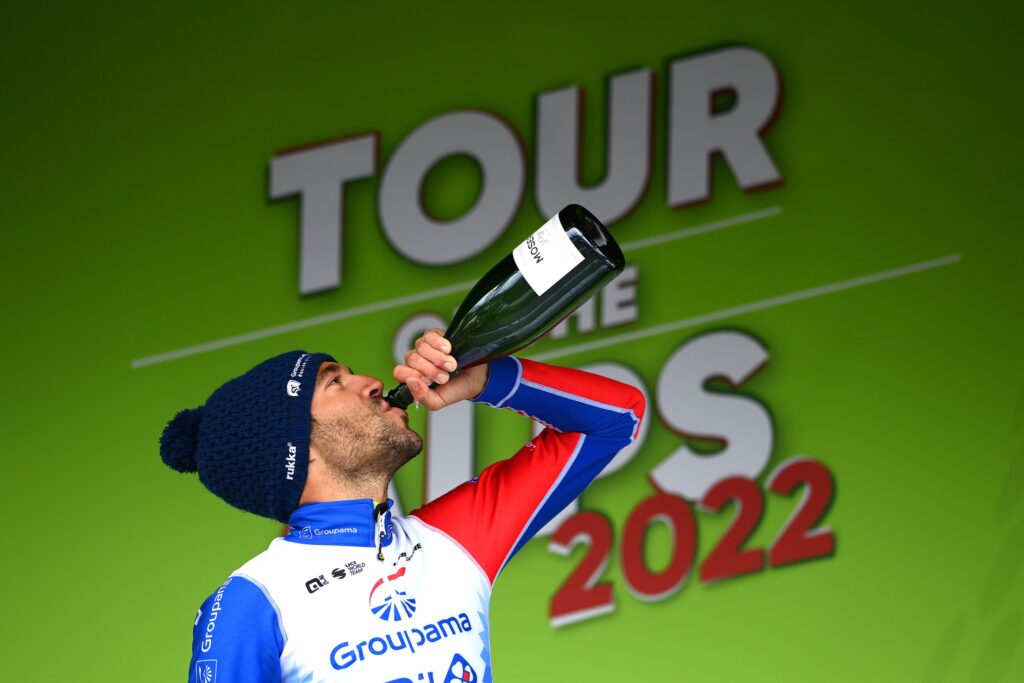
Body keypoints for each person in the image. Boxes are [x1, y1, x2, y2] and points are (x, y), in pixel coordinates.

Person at [161, 329, 645, 683]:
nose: (372, 382)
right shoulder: (256, 600)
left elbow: (615, 418)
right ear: (296, 451)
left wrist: (485, 380)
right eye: (334, 383)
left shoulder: (453, 539)